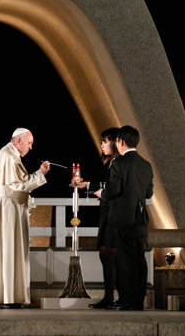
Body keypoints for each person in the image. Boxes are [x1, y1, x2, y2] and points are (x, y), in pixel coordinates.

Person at [77, 125, 153, 311]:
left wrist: (103, 192)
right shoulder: (146, 164)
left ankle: (127, 300)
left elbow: (114, 190)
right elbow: (149, 192)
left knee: (124, 261)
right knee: (139, 260)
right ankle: (138, 299)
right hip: (140, 218)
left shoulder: (119, 163)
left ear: (120, 142)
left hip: (121, 219)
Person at [0, 128, 51, 309]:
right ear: (18, 141)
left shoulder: (8, 154)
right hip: (6, 208)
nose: (31, 148)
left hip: (3, 206)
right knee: (7, 250)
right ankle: (7, 297)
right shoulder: (9, 157)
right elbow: (20, 185)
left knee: (2, 251)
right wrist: (40, 173)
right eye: (29, 143)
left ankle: (3, 296)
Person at [73, 127, 120, 309]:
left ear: (116, 142)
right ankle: (111, 297)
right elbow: (107, 185)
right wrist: (87, 184)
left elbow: (112, 187)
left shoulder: (118, 162)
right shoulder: (111, 162)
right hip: (107, 213)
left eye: (104, 141)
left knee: (108, 254)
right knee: (106, 254)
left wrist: (89, 185)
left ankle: (112, 298)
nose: (101, 145)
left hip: (113, 214)